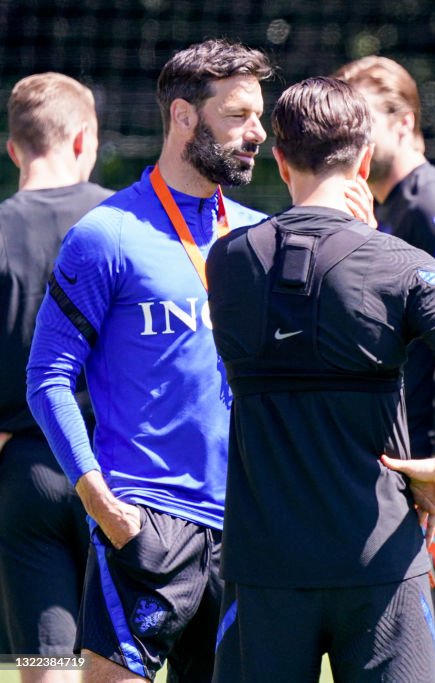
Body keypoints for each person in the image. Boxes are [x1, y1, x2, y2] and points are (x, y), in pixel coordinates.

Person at [205, 76, 435, 683]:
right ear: (365, 159)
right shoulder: (401, 264)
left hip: (263, 567)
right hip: (380, 564)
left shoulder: (228, 259)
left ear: (280, 158)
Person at [26, 40, 272, 682]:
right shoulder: (107, 234)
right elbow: (47, 378)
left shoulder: (258, 237)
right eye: (239, 115)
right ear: (185, 117)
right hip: (145, 519)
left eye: (260, 117)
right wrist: (98, 498)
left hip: (244, 528)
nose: (259, 133)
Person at [334, 55, 435, 683]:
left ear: (403, 123)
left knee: (432, 624)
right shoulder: (386, 208)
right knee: (409, 624)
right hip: (413, 457)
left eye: (363, 122)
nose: (352, 138)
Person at [0, 72, 112, 683]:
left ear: (14, 148)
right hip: (119, 470)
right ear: (82, 140)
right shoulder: (126, 226)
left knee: (46, 665)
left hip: (26, 476)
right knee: (121, 663)